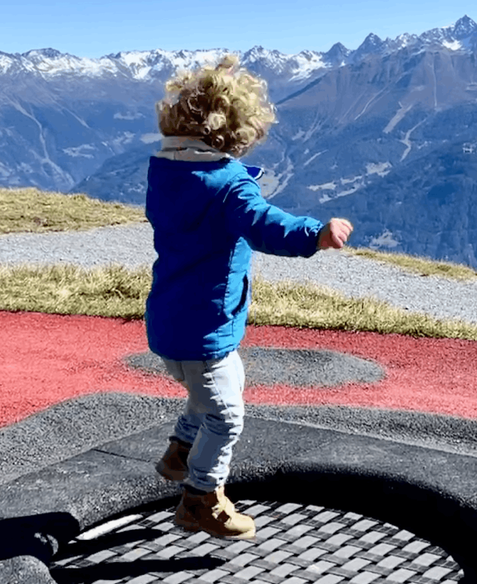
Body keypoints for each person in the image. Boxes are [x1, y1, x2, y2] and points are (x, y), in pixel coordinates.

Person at [145, 54, 353, 540]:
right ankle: (200, 497)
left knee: (221, 388)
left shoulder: (166, 173)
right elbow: (265, 225)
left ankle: (180, 452)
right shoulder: (228, 185)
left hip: (171, 319)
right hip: (206, 324)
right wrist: (315, 234)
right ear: (235, 132)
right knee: (227, 415)